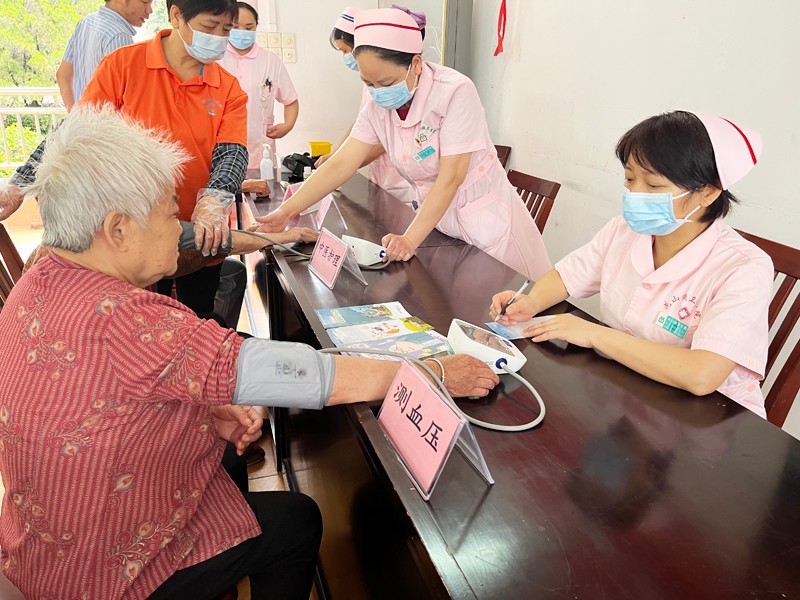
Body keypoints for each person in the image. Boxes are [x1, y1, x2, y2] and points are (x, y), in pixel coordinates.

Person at [0, 105, 498, 599]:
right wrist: (431, 371)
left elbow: (102, 398)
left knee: (227, 463)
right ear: (117, 230)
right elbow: (304, 375)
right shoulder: (128, 319)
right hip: (104, 574)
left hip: (42, 546)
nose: (180, 228)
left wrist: (199, 411)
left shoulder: (38, 279)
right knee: (295, 521)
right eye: (172, 215)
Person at [491, 110, 772, 417]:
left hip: (708, 419)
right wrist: (531, 302)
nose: (635, 194)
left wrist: (593, 334)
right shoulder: (622, 231)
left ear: (707, 192)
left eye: (653, 186)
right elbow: (566, 276)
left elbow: (702, 375)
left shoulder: (745, 267)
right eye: (629, 179)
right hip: (626, 392)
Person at [258, 8, 551, 280]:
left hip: (491, 230)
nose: (378, 93)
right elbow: (341, 164)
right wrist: (286, 211)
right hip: (442, 227)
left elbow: (452, 177)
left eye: (386, 83)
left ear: (416, 64)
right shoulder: (376, 106)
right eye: (369, 84)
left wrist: (409, 239)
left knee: (513, 308)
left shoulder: (455, 92)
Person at [5, 0, 248, 318]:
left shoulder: (227, 87)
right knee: (137, 320)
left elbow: (232, 153)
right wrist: (20, 184)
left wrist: (215, 200)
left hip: (199, 231)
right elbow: (77, 130)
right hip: (133, 232)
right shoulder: (122, 65)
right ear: (176, 15)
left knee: (196, 317)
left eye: (226, 30)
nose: (219, 38)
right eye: (209, 27)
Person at [315, 5, 416, 206]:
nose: (345, 58)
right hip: (383, 177)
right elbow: (362, 123)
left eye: (346, 51)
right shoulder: (372, 83)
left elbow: (384, 141)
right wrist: (336, 155)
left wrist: (344, 165)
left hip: (403, 182)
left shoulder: (399, 87)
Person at [219, 1, 299, 173]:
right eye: (235, 26)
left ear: (256, 26)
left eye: (248, 27)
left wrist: (288, 125)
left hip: (260, 146)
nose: (242, 32)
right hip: (221, 143)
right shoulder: (217, 57)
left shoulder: (270, 60)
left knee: (262, 184)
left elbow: (291, 100)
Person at [56, 0, 154, 111]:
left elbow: (63, 75)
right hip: (108, 121)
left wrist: (74, 117)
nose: (150, 10)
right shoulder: (119, 35)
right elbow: (127, 97)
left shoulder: (85, 23)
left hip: (83, 119)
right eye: (145, 2)